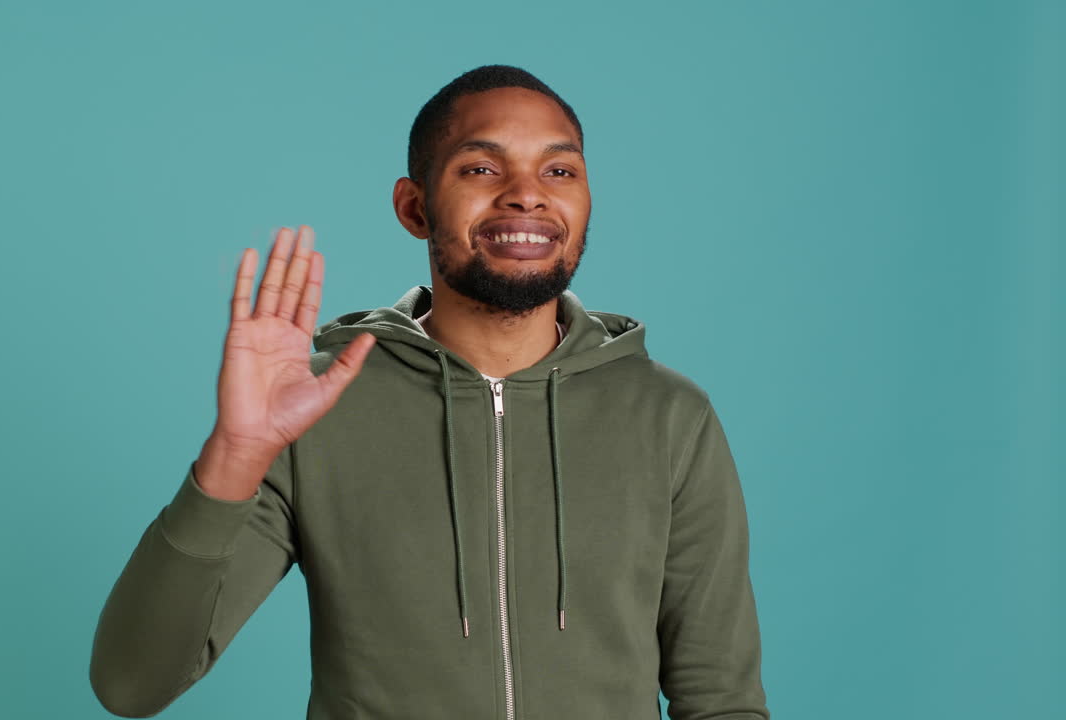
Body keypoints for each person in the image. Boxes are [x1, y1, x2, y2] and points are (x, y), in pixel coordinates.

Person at [90, 64, 769, 720]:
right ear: (414, 208)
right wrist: (236, 454)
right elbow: (132, 683)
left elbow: (722, 702)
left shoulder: (668, 415)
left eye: (559, 171)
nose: (527, 194)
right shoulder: (316, 409)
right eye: (482, 169)